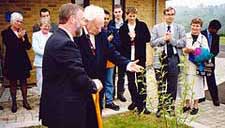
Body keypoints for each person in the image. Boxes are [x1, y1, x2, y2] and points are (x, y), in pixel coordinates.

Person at [39, 3, 103, 128]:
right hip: (65, 112)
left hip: (57, 108)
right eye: (82, 20)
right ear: (73, 19)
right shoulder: (65, 43)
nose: (84, 23)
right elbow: (78, 76)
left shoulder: (56, 38)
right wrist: (94, 85)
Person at [76, 5, 143, 111]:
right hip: (82, 86)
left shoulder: (101, 33)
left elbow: (111, 52)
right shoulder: (76, 36)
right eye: (97, 27)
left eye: (101, 27)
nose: (100, 30)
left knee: (97, 115)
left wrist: (127, 63)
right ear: (87, 22)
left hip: (99, 85)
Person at [151, 7, 186, 117]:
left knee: (172, 85)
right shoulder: (157, 28)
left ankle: (170, 107)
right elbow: (152, 43)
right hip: (160, 59)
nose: (170, 16)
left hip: (174, 59)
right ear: (164, 15)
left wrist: (172, 41)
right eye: (168, 14)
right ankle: (160, 107)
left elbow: (183, 43)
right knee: (161, 84)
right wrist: (163, 39)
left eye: (172, 14)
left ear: (174, 15)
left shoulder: (179, 28)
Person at [119, 7, 151, 114]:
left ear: (136, 15)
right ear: (127, 15)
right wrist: (129, 39)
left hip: (140, 58)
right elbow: (121, 44)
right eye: (130, 16)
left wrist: (135, 37)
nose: (132, 18)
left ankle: (143, 105)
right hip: (128, 60)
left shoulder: (142, 25)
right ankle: (136, 102)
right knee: (131, 82)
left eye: (134, 16)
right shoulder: (123, 28)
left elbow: (148, 38)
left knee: (142, 82)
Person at [1, 12, 32, 113]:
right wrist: (18, 37)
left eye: (21, 21)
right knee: (13, 83)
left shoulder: (23, 32)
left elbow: (28, 46)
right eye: (17, 21)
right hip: (12, 61)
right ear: (12, 22)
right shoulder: (5, 33)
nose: (19, 23)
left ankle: (25, 101)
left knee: (24, 82)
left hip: (22, 61)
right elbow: (10, 46)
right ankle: (14, 103)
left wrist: (23, 38)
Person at [182, 18, 209, 115]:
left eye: (197, 26)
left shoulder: (203, 38)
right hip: (186, 65)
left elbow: (207, 53)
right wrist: (185, 50)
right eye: (193, 25)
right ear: (190, 25)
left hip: (197, 66)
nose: (195, 27)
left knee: (197, 85)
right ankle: (187, 104)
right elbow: (180, 49)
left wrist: (194, 50)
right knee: (186, 84)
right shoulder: (185, 36)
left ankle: (195, 105)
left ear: (201, 27)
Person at [200, 19, 221, 106]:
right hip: (200, 61)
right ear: (210, 27)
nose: (216, 31)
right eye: (215, 29)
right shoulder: (201, 34)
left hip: (210, 62)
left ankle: (215, 99)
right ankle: (201, 97)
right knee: (200, 80)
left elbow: (216, 50)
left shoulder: (216, 36)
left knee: (211, 80)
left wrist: (209, 56)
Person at [108, 4, 126, 102]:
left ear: (122, 12)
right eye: (116, 12)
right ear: (113, 13)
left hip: (123, 51)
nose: (117, 14)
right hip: (113, 51)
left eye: (119, 12)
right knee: (112, 74)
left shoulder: (125, 24)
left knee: (122, 74)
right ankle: (112, 93)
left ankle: (120, 93)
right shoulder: (110, 23)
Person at [102, 10, 120, 111]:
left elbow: (118, 44)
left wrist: (111, 41)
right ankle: (100, 102)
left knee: (109, 81)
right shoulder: (97, 29)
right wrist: (106, 40)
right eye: (104, 18)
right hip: (99, 60)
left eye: (107, 19)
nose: (106, 20)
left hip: (110, 59)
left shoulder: (113, 30)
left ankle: (109, 101)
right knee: (100, 80)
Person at [32, 17, 52, 95]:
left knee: (50, 80)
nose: (46, 27)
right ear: (40, 26)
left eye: (48, 26)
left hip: (50, 63)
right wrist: (48, 53)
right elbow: (36, 48)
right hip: (40, 63)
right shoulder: (36, 35)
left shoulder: (52, 35)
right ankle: (42, 97)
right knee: (41, 81)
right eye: (44, 26)